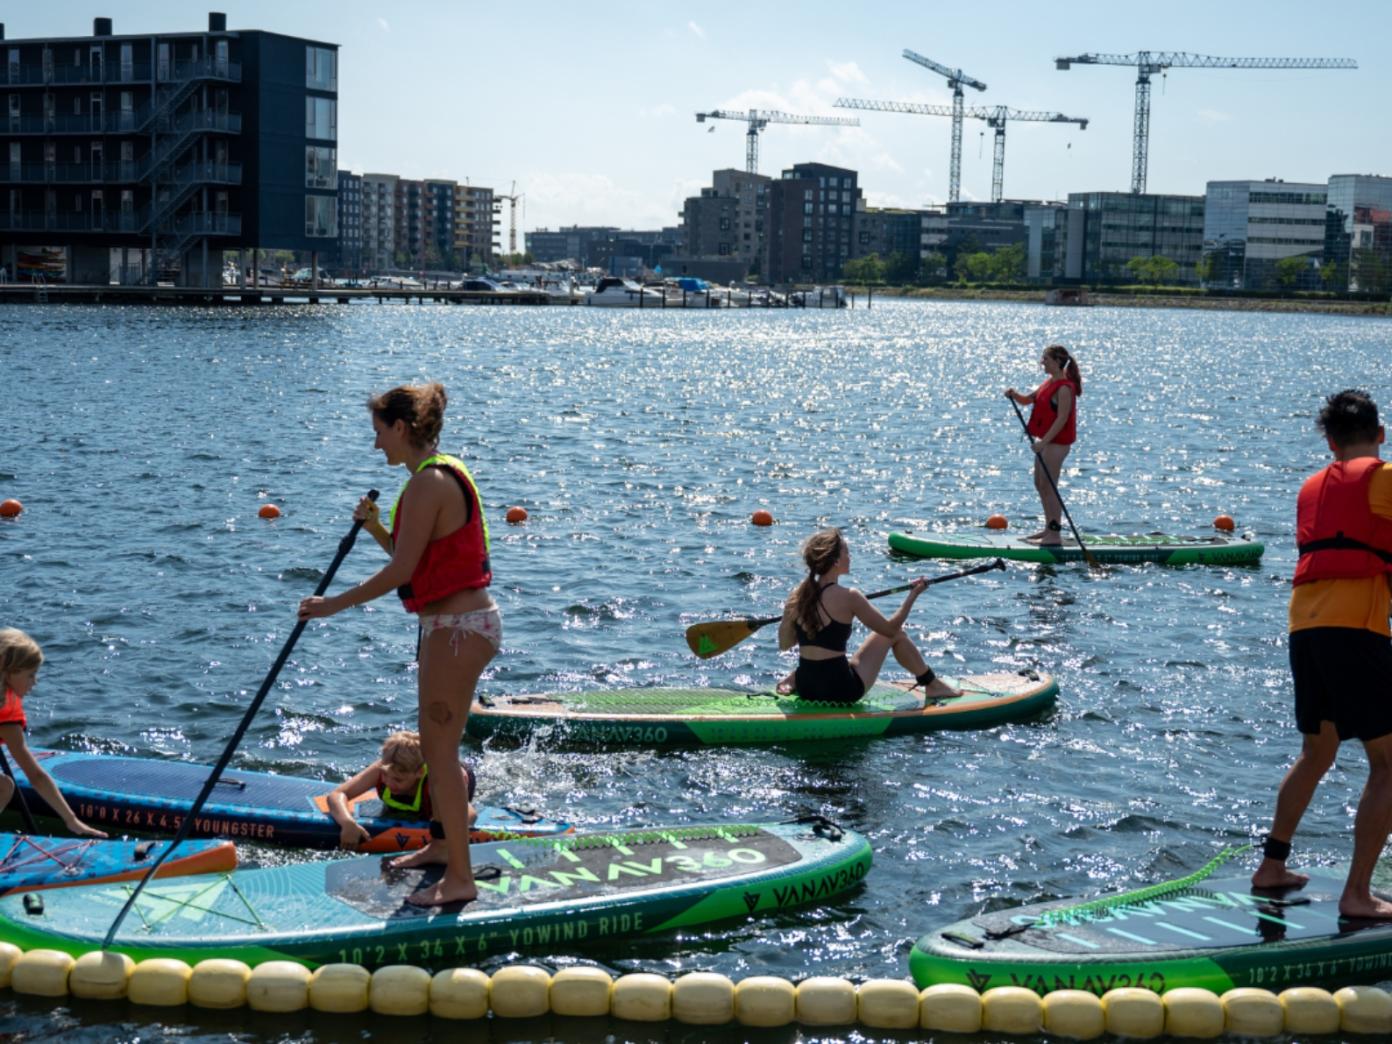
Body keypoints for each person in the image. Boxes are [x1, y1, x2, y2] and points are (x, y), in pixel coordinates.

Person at [299, 383, 498, 907]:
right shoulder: (430, 478)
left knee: (441, 752)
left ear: (402, 428)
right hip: (450, 626)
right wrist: (374, 528)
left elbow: (402, 571)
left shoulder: (429, 482)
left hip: (458, 630)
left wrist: (332, 605)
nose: (375, 445)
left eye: (379, 433)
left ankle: (459, 879)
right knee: (437, 750)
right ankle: (440, 848)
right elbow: (419, 561)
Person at [1252, 389, 1392, 919]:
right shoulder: (1384, 477)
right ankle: (1358, 894)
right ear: (1380, 434)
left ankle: (1272, 866)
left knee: (1319, 752)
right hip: (1354, 630)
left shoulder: (1311, 486)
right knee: (1388, 764)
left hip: (1304, 626)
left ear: (1330, 442)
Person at [775, 529, 960, 703]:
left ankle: (795, 678)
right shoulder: (850, 596)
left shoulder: (797, 596)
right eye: (847, 552)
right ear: (836, 561)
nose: (850, 557)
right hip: (840, 690)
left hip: (807, 687)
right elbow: (890, 629)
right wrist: (913, 595)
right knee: (896, 634)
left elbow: (784, 644)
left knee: (831, 659)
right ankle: (932, 685)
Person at [0, 629, 107, 839]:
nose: (35, 682)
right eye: (30, 674)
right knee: (3, 787)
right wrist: (71, 820)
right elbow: (36, 776)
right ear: (9, 672)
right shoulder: (7, 714)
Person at [325, 730, 477, 851]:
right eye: (385, 776)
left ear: (419, 773)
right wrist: (347, 823)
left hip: (454, 776)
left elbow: (470, 814)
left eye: (398, 779)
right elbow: (337, 794)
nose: (389, 783)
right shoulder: (385, 767)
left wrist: (440, 835)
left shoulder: (435, 782)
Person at [1005, 345, 1082, 546]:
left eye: (1046, 359)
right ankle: (1048, 528)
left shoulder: (1065, 388)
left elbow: (1062, 419)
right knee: (1040, 484)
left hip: (1057, 443)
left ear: (1057, 362)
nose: (1042, 362)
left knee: (1050, 486)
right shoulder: (1049, 383)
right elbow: (1028, 400)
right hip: (1047, 442)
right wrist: (1014, 395)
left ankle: (1055, 534)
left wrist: (1044, 442)